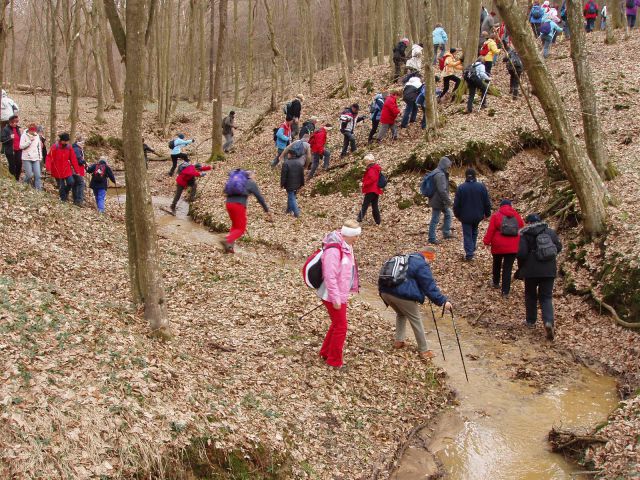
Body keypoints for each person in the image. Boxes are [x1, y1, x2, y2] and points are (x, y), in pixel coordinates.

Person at [379, 247, 452, 359]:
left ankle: (399, 341)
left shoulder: (406, 258)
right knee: (416, 319)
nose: (430, 263)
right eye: (431, 260)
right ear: (428, 256)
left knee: (401, 314)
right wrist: (443, 301)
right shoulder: (421, 264)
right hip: (400, 295)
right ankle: (424, 351)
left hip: (385, 292)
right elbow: (429, 286)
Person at [316, 221, 361, 369]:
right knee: (341, 327)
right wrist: (336, 298)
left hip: (340, 294)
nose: (357, 239)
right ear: (348, 235)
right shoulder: (334, 250)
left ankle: (325, 352)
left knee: (337, 324)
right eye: (356, 236)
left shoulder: (347, 246)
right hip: (332, 295)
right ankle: (334, 361)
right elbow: (330, 276)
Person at [516, 214, 562, 340]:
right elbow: (558, 247)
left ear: (529, 222)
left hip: (531, 271)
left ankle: (531, 320)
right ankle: (548, 322)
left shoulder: (525, 234)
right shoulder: (550, 232)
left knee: (530, 295)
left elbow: (521, 253)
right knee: (546, 297)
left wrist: (521, 268)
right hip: (549, 271)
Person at [222, 170, 272, 253]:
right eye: (254, 174)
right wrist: (267, 210)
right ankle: (227, 240)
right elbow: (260, 198)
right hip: (238, 206)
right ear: (251, 175)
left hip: (228, 204)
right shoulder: (251, 183)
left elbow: (224, 192)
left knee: (235, 226)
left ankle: (229, 247)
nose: (255, 177)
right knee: (241, 229)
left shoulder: (236, 181)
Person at [483, 199, 524, 297]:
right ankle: (505, 291)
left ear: (500, 206)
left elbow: (491, 230)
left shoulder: (496, 215)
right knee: (508, 268)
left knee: (496, 264)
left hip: (498, 245)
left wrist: (486, 241)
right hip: (513, 246)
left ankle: (496, 282)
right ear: (511, 206)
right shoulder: (516, 215)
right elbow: (522, 225)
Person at [453, 168, 491, 261]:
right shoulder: (481, 187)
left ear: (466, 176)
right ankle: (472, 249)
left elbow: (456, 204)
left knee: (467, 234)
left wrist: (457, 214)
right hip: (478, 215)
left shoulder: (461, 188)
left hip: (465, 216)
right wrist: (487, 213)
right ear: (475, 176)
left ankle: (469, 253)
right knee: (474, 232)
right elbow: (487, 202)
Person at [279, 135, 310, 218]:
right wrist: (302, 183)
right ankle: (288, 209)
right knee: (292, 195)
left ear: (290, 155)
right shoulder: (300, 163)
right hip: (297, 182)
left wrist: (282, 184)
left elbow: (284, 175)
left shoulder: (286, 163)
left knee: (291, 196)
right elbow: (301, 175)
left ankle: (296, 213)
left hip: (289, 184)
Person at [45, 133, 81, 202]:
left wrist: (77, 171)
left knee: (71, 182)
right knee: (61, 186)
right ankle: (63, 200)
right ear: (62, 140)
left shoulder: (69, 147)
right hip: (57, 170)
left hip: (66, 169)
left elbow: (73, 159)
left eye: (67, 141)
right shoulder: (55, 147)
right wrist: (48, 168)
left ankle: (65, 193)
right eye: (65, 141)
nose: (67, 142)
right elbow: (49, 157)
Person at [428, 156, 453, 244]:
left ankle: (446, 232)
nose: (449, 167)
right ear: (444, 165)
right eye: (448, 166)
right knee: (435, 219)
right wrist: (448, 200)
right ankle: (431, 238)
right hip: (438, 201)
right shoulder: (440, 175)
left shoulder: (436, 171)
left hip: (438, 199)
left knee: (449, 214)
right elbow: (442, 190)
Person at [357, 154, 383, 225]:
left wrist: (363, 184)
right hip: (375, 190)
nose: (365, 162)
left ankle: (359, 218)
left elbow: (372, 179)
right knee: (374, 206)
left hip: (371, 189)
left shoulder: (372, 169)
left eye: (366, 161)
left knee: (365, 204)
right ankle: (378, 221)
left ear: (369, 161)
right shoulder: (375, 168)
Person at [19, 123, 43, 190]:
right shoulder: (24, 136)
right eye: (31, 130)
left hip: (36, 158)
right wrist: (29, 141)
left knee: (38, 175)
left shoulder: (37, 136)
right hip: (26, 158)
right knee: (29, 175)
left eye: (34, 130)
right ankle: (24, 184)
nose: (33, 132)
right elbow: (21, 146)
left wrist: (40, 156)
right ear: (29, 130)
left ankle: (38, 190)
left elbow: (39, 147)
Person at [1, 115, 22, 181]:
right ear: (10, 122)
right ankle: (13, 178)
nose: (15, 123)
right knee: (12, 165)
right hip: (10, 150)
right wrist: (10, 137)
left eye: (16, 122)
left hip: (18, 149)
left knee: (19, 164)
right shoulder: (5, 129)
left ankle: (17, 178)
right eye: (13, 122)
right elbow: (2, 139)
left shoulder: (18, 128)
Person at [72, 136, 87, 207]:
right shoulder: (77, 149)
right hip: (76, 170)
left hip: (75, 169)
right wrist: (84, 161)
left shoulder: (75, 148)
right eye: (82, 142)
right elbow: (79, 159)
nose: (83, 144)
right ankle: (79, 201)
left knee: (75, 184)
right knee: (81, 183)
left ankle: (75, 200)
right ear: (78, 142)